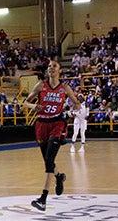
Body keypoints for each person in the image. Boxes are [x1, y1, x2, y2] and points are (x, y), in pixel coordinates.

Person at [25, 59, 81, 212]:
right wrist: (33, 106)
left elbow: (77, 104)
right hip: (41, 124)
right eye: (49, 66)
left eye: (54, 66)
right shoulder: (41, 85)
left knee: (49, 160)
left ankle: (43, 199)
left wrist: (73, 107)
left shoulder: (65, 88)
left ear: (60, 70)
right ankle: (59, 176)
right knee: (47, 161)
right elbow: (25, 102)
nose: (51, 68)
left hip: (57, 123)